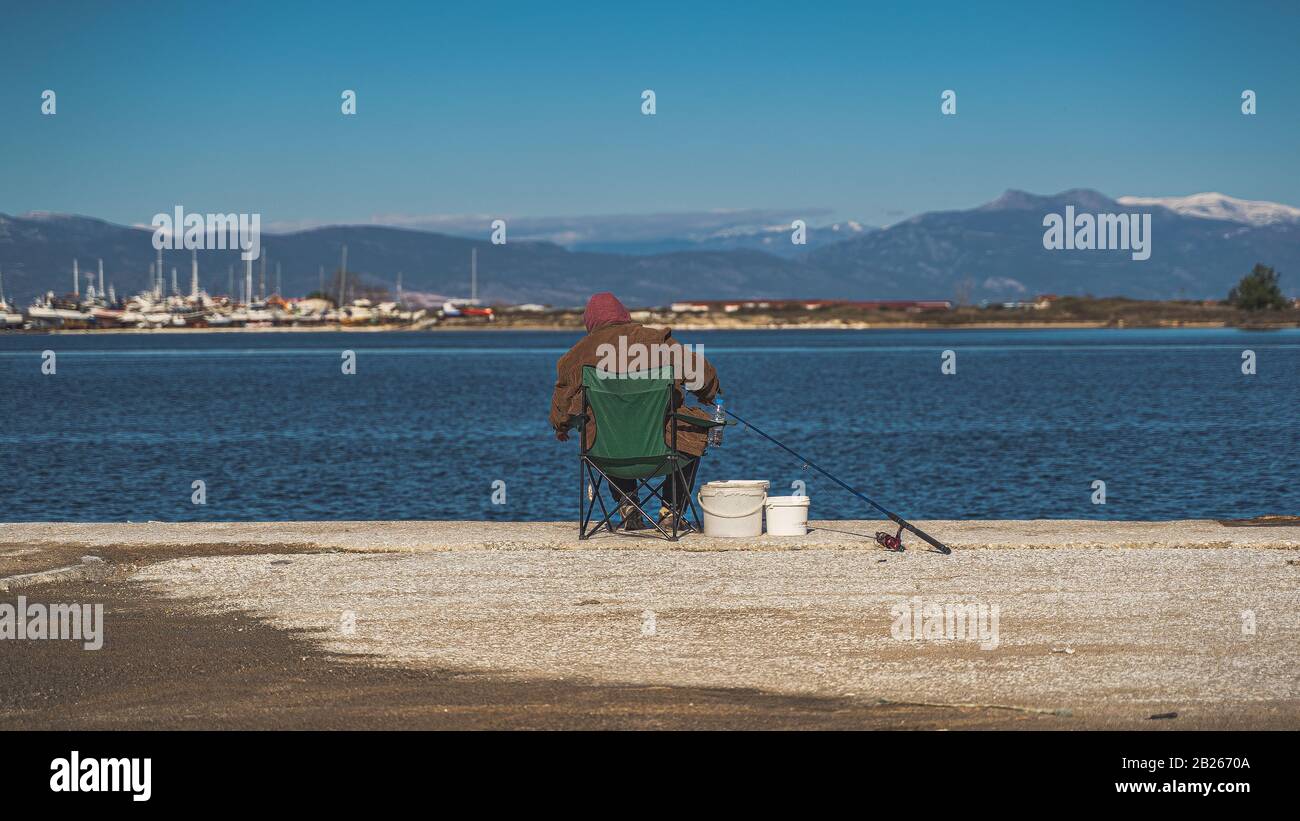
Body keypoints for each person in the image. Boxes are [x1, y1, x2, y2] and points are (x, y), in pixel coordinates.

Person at [550, 292, 721, 530]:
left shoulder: (576, 354)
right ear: (625, 315)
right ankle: (670, 509)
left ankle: (627, 503)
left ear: (590, 322)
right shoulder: (657, 340)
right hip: (665, 451)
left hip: (607, 455)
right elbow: (703, 375)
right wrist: (706, 395)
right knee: (694, 426)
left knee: (602, 427)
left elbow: (562, 403)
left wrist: (561, 426)